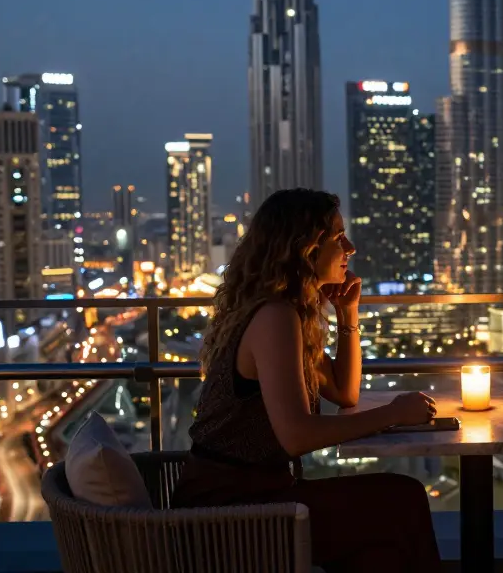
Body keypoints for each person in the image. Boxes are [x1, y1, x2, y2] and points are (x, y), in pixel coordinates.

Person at [172, 188, 442, 573]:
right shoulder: (275, 318)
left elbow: (344, 393)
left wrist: (348, 316)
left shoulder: (290, 314)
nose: (350, 247)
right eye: (337, 237)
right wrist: (394, 412)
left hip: (258, 496)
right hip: (226, 512)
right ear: (304, 248)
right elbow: (297, 436)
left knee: (387, 534)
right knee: (402, 500)